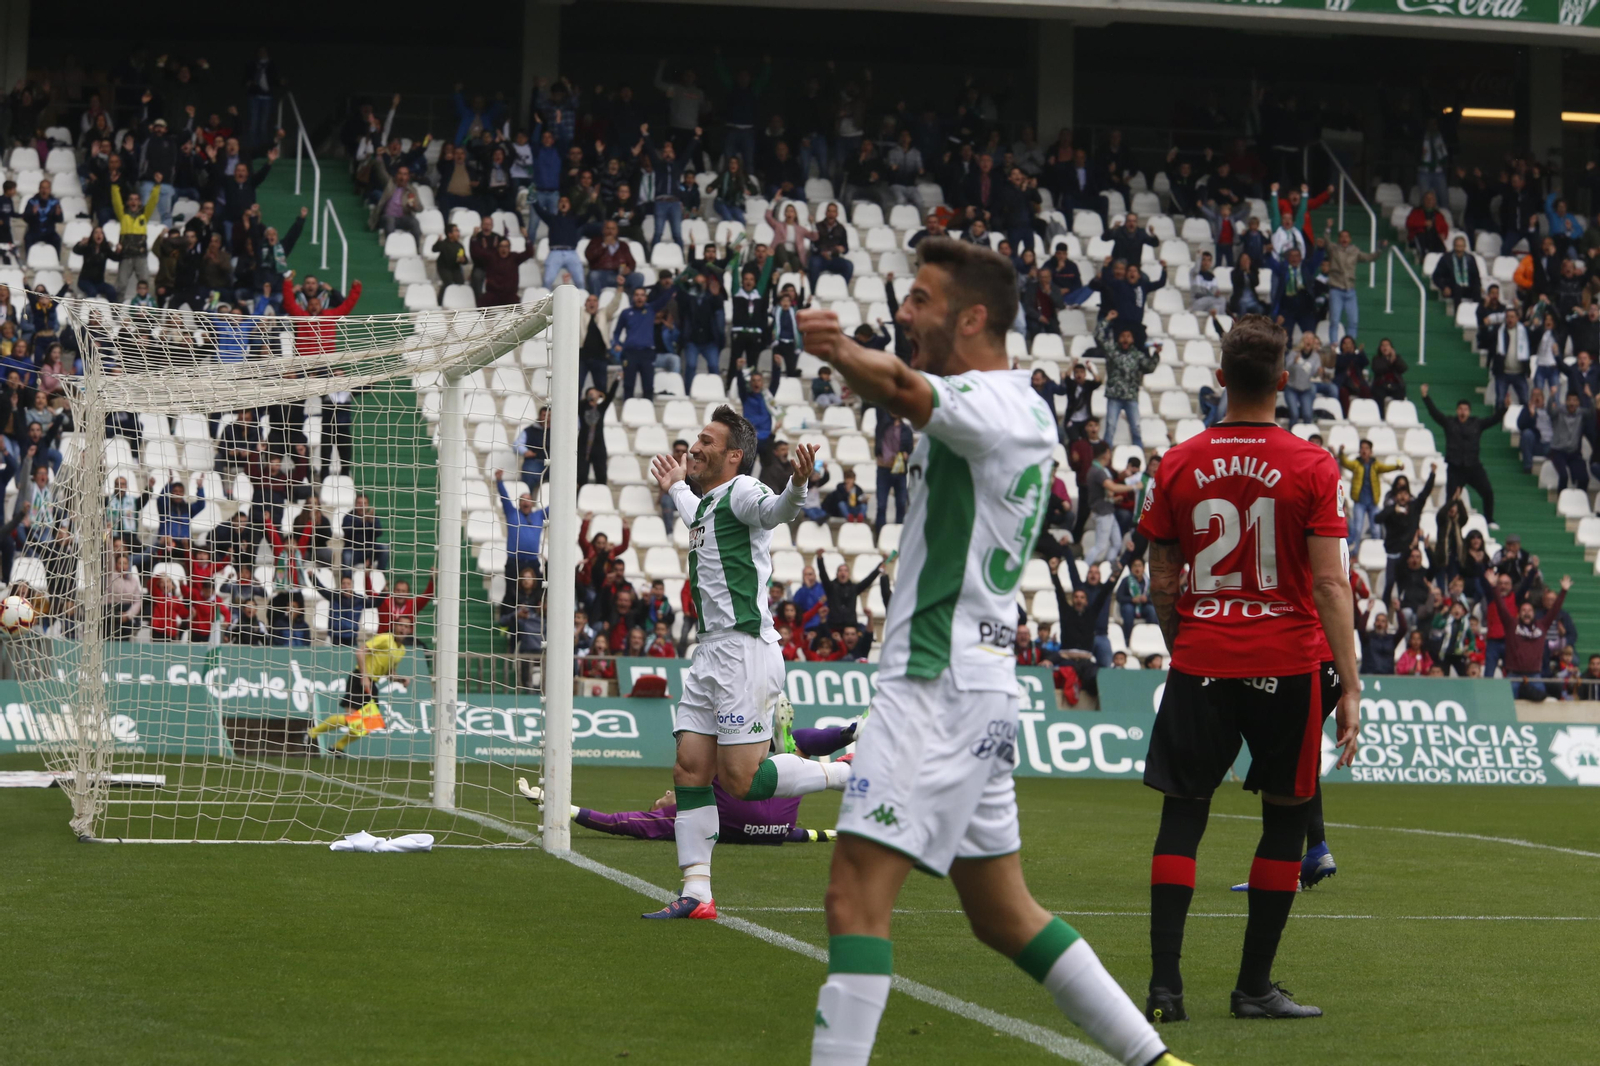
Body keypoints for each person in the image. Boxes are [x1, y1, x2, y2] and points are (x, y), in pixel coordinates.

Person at [797, 239, 1191, 1066]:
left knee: (853, 897)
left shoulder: (988, 404)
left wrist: (836, 349)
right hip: (975, 680)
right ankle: (1157, 1061)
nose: (903, 312)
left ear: (971, 317)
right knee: (1004, 914)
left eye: (920, 299)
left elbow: (905, 389)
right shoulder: (1021, 406)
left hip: (936, 683)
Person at [1137, 314, 1360, 1023]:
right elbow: (1330, 585)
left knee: (1183, 816)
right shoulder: (1313, 465)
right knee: (1285, 821)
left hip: (1201, 658)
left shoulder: (1178, 461)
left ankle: (1165, 989)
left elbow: (1161, 573)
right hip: (1287, 664)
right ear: (1284, 382)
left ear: (1220, 378)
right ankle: (1253, 988)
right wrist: (1350, 684)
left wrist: (1185, 640)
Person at [643, 411, 850, 920]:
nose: (695, 446)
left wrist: (798, 485)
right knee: (690, 769)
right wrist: (673, 484)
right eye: (696, 438)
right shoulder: (709, 502)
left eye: (706, 441)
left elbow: (776, 511)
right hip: (710, 652)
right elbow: (692, 507)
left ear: (733, 456)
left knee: (741, 781)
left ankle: (849, 771)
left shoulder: (742, 491)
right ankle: (697, 893)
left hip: (744, 651)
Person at [305, 622, 412, 755]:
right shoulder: (385, 638)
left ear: (410, 630)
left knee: (369, 723)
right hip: (359, 678)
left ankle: (337, 746)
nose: (403, 628)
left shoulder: (402, 650)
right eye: (401, 625)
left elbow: (389, 672)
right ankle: (312, 733)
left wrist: (400, 679)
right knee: (353, 718)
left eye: (407, 626)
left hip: (372, 683)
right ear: (394, 626)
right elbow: (360, 651)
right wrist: (364, 676)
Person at [1419, 383, 1499, 527]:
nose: (1463, 412)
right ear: (1457, 410)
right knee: (1451, 499)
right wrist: (1426, 397)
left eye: (1466, 409)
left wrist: (1505, 408)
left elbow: (1493, 420)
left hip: (1473, 466)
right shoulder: (1450, 423)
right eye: (1461, 409)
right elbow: (1435, 414)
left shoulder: (1477, 424)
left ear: (1469, 411)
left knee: (1487, 491)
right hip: (1455, 467)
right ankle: (1447, 522)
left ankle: (1489, 519)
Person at [1492, 576, 1573, 701]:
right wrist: (1494, 587)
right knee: (1507, 705)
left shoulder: (1542, 625)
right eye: (1523, 610)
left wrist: (1563, 591)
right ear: (1518, 614)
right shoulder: (1511, 624)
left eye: (1529, 610)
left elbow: (1554, 610)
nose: (1526, 612)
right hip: (1513, 675)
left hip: (1535, 675)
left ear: (1534, 613)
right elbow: (1501, 607)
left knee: (1541, 709)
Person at [1338, 439, 1400, 545]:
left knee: (1376, 530)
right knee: (1357, 529)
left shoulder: (1375, 465)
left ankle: (1376, 552)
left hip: (1373, 502)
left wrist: (1396, 467)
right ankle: (1355, 553)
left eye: (1366, 448)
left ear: (1371, 451)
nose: (1364, 450)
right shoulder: (1356, 464)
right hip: (1360, 502)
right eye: (1362, 448)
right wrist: (1341, 453)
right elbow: (1345, 462)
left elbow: (1386, 468)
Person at [494, 469, 546, 580]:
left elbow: (555, 505)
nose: (526, 502)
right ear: (519, 503)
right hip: (514, 561)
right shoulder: (512, 513)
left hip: (533, 562)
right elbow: (504, 497)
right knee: (511, 593)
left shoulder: (539, 515)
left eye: (528, 500)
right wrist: (499, 481)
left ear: (532, 503)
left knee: (534, 593)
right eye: (523, 500)